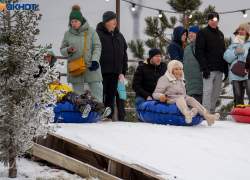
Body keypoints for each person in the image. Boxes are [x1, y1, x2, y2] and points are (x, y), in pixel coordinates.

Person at [152, 60, 220, 126]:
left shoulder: (180, 80)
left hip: (180, 99)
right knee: (180, 98)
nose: (179, 72)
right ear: (171, 69)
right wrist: (161, 96)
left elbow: (183, 95)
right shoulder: (164, 79)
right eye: (176, 69)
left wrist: (188, 98)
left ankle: (207, 116)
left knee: (190, 99)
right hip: (169, 99)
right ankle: (187, 113)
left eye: (180, 69)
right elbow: (155, 93)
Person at [60, 5, 103, 104]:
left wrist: (95, 60)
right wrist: (68, 50)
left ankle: (99, 111)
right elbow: (62, 49)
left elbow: (97, 46)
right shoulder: (67, 34)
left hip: (91, 65)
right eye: (72, 22)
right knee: (77, 94)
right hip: (75, 66)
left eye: (76, 21)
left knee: (97, 88)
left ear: (81, 20)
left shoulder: (91, 31)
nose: (74, 24)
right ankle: (80, 112)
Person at [96, 11, 128, 120]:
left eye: (116, 19)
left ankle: (108, 117)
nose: (115, 21)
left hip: (115, 72)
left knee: (111, 96)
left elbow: (124, 55)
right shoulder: (97, 34)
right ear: (106, 22)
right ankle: (97, 115)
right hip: (101, 71)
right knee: (99, 94)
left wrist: (123, 71)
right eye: (113, 19)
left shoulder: (119, 36)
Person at [195, 12, 228, 113]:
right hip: (208, 69)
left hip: (219, 68)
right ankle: (206, 113)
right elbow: (199, 51)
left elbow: (224, 52)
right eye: (211, 20)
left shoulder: (221, 34)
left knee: (216, 93)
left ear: (218, 21)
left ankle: (212, 112)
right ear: (208, 21)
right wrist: (204, 67)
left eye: (215, 20)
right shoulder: (202, 32)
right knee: (207, 92)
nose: (213, 22)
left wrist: (225, 69)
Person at [224, 22, 250, 105]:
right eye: (239, 29)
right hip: (235, 72)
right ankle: (239, 115)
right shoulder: (233, 43)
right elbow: (226, 57)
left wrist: (244, 52)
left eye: (243, 29)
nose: (240, 31)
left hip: (248, 72)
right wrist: (235, 52)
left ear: (247, 31)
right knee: (238, 95)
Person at [183, 25, 203, 104]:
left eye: (193, 33)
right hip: (188, 83)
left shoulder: (202, 46)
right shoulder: (187, 49)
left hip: (198, 81)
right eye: (189, 33)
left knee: (198, 106)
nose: (190, 35)